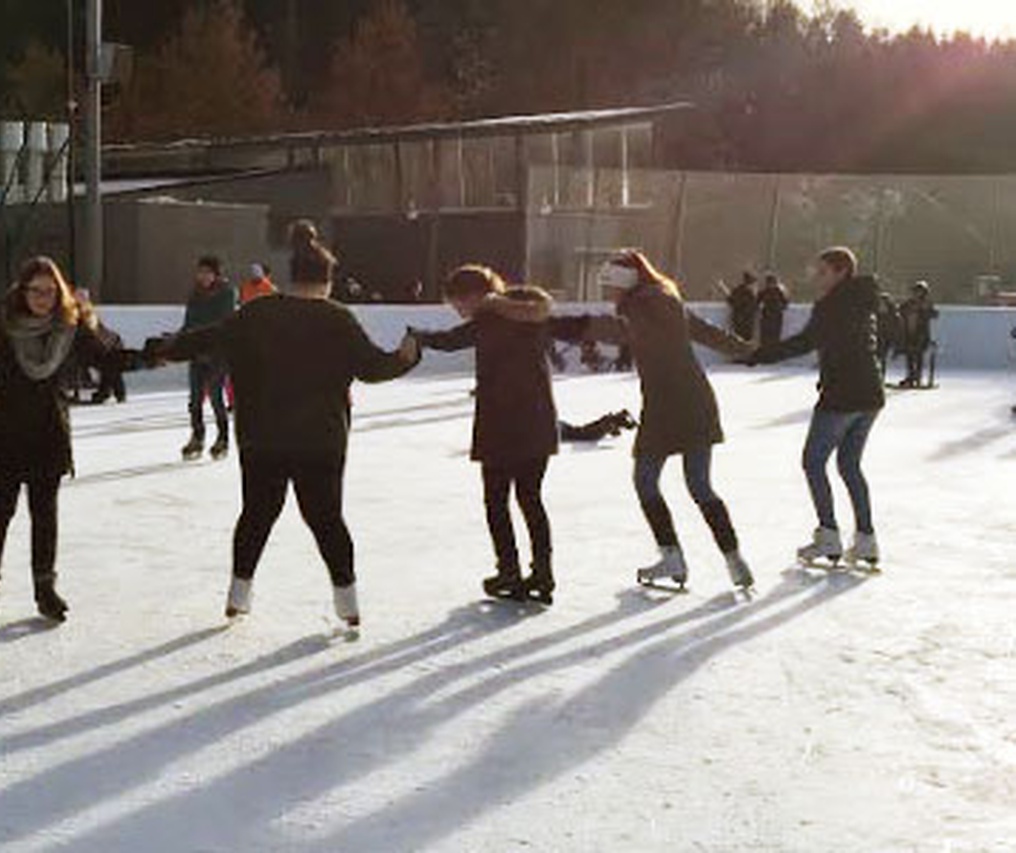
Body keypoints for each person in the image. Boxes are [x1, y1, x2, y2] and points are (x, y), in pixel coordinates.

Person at [147, 226, 420, 629]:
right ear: (327, 282)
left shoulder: (255, 313)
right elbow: (373, 368)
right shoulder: (337, 317)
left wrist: (164, 349)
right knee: (326, 519)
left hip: (262, 437)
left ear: (291, 278)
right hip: (321, 440)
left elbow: (207, 338)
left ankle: (238, 596)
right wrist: (405, 357)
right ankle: (348, 603)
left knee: (257, 514)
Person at [0, 256, 141, 623]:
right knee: (0, 510)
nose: (43, 297)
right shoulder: (1, 321)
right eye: (35, 290)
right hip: (3, 429)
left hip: (48, 429)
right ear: (22, 290)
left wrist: (160, 354)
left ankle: (44, 589)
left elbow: (110, 358)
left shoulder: (72, 327)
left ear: (59, 292)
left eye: (50, 291)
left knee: (44, 515)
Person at [410, 266, 592, 605]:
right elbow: (570, 323)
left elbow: (451, 341)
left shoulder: (488, 319)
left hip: (501, 424)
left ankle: (508, 570)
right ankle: (543, 573)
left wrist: (418, 335)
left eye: (458, 303)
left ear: (474, 295)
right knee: (530, 499)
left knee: (497, 502)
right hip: (537, 422)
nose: (458, 310)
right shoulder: (531, 314)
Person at [581, 252, 757, 590]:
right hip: (697, 400)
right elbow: (706, 332)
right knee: (700, 486)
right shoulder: (668, 299)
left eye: (610, 288)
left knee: (645, 481)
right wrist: (750, 350)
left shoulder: (640, 306)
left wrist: (569, 327)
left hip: (665, 404)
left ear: (623, 284)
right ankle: (735, 559)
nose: (609, 295)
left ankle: (671, 556)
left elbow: (622, 333)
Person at [750, 246, 885, 570]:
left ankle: (828, 534)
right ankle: (866, 540)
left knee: (813, 462)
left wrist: (760, 354)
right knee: (849, 465)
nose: (817, 277)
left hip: (842, 395)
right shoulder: (864, 300)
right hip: (870, 394)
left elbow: (805, 342)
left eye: (823, 271)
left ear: (841, 272)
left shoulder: (833, 304)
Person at [180, 254, 237, 460]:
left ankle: (222, 439)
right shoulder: (195, 295)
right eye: (200, 272)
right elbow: (188, 322)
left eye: (207, 272)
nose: (202, 276)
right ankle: (197, 437)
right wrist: (179, 341)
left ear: (216, 274)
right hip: (196, 353)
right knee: (194, 399)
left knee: (215, 397)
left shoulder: (227, 293)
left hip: (217, 354)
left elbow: (223, 322)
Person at [896, 281, 939, 389]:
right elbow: (900, 309)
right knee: (909, 357)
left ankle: (917, 377)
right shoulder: (909, 303)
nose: (916, 294)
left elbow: (935, 314)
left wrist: (925, 310)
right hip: (909, 334)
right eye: (915, 292)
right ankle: (911, 377)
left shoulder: (926, 304)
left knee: (918, 356)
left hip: (921, 335)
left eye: (919, 292)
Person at [722, 271, 760, 342]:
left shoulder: (737, 290)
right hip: (746, 323)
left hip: (737, 321)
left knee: (736, 341)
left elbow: (730, 301)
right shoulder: (750, 293)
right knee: (746, 342)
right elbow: (752, 306)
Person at [757, 272, 790, 347]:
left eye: (772, 283)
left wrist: (779, 308)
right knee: (765, 340)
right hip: (766, 318)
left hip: (776, 317)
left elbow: (786, 303)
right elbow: (757, 302)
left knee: (775, 339)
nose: (770, 285)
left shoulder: (779, 292)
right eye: (769, 283)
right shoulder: (764, 292)